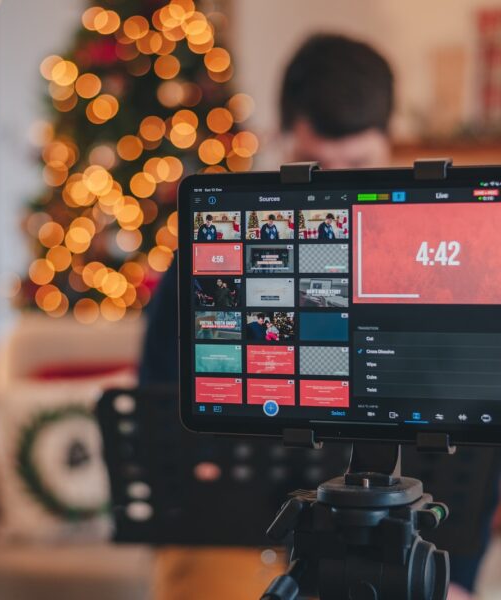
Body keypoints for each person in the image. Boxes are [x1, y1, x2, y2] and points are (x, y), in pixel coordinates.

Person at [140, 34, 481, 600]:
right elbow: (157, 402)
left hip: (404, 544)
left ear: (390, 144)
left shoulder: (444, 264)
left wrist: (458, 579)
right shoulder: (209, 257)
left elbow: (475, 446)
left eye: (359, 166)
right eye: (317, 168)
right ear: (283, 140)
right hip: (235, 543)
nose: (336, 192)